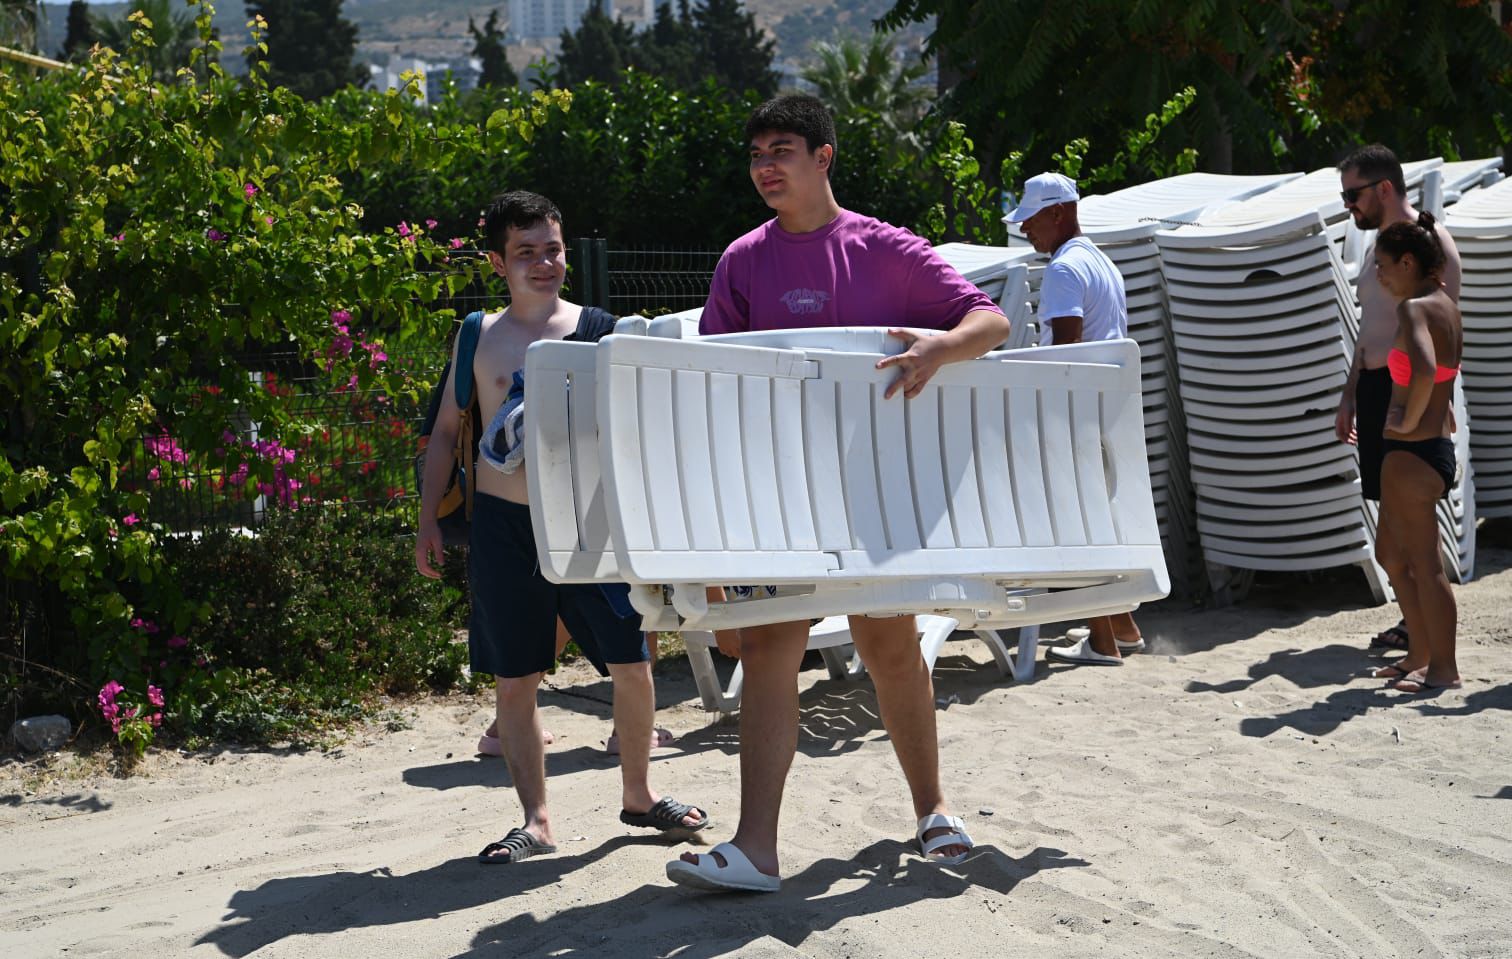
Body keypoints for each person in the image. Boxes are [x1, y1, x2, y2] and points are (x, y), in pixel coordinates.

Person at [666, 94, 1012, 894]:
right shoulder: (742, 260)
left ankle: (933, 812)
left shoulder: (883, 247)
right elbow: (716, 387)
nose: (765, 166)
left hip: (872, 495)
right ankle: (757, 848)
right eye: (756, 154)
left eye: (781, 149)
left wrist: (944, 346)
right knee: (767, 647)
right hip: (781, 493)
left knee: (890, 647)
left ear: (824, 157)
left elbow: (988, 320)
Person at [415, 190, 707, 865]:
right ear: (497, 261)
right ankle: (536, 819)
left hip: (589, 523)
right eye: (526, 252)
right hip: (503, 527)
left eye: (552, 248)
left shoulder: (602, 328)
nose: (543, 263)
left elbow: (646, 427)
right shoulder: (476, 335)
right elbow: (446, 434)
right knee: (514, 679)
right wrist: (427, 518)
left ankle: (639, 795)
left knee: (633, 666)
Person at [1008, 172, 1146, 666]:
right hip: (1106, 410)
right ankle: (1122, 628)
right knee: (1098, 521)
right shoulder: (1101, 261)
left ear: (1059, 213)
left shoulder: (1065, 270)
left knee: (1080, 524)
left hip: (1077, 412)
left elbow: (1066, 353)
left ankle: (1104, 641)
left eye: (1031, 220)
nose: (1026, 231)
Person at [1333, 145, 1462, 655]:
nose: (1348, 207)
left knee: (1413, 535)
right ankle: (1417, 635)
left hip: (1408, 389)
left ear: (1383, 188)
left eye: (1352, 194)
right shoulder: (1380, 247)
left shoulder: (1430, 244)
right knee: (1391, 529)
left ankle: (1427, 645)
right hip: (1374, 387)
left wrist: (1432, 405)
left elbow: (1444, 330)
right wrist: (1349, 395)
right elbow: (1370, 330)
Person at [1370, 215, 1463, 693]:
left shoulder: (1413, 310)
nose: (1379, 275)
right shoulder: (1445, 304)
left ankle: (1444, 669)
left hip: (1413, 453)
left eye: (1383, 265)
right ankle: (1420, 654)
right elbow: (1443, 371)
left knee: (1425, 565)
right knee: (1390, 555)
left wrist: (1406, 421)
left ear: (1409, 263)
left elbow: (1426, 368)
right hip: (1430, 450)